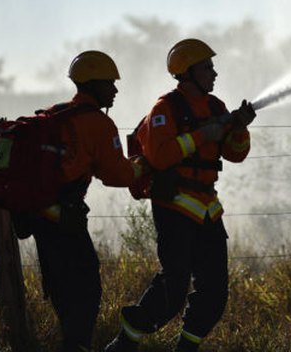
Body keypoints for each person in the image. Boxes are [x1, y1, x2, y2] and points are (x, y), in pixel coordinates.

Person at [105, 38, 256, 352]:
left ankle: (186, 347)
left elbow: (235, 154)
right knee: (174, 288)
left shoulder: (216, 107)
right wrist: (202, 135)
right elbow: (159, 157)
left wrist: (239, 128)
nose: (214, 73)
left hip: (208, 211)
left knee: (215, 293)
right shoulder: (165, 109)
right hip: (174, 207)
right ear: (187, 72)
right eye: (207, 67)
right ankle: (127, 338)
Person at [28, 51, 145, 352]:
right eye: (110, 84)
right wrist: (142, 166)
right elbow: (117, 175)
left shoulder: (54, 113)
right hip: (65, 220)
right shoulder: (98, 124)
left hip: (38, 216)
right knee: (87, 291)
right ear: (93, 85)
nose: (116, 90)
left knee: (62, 295)